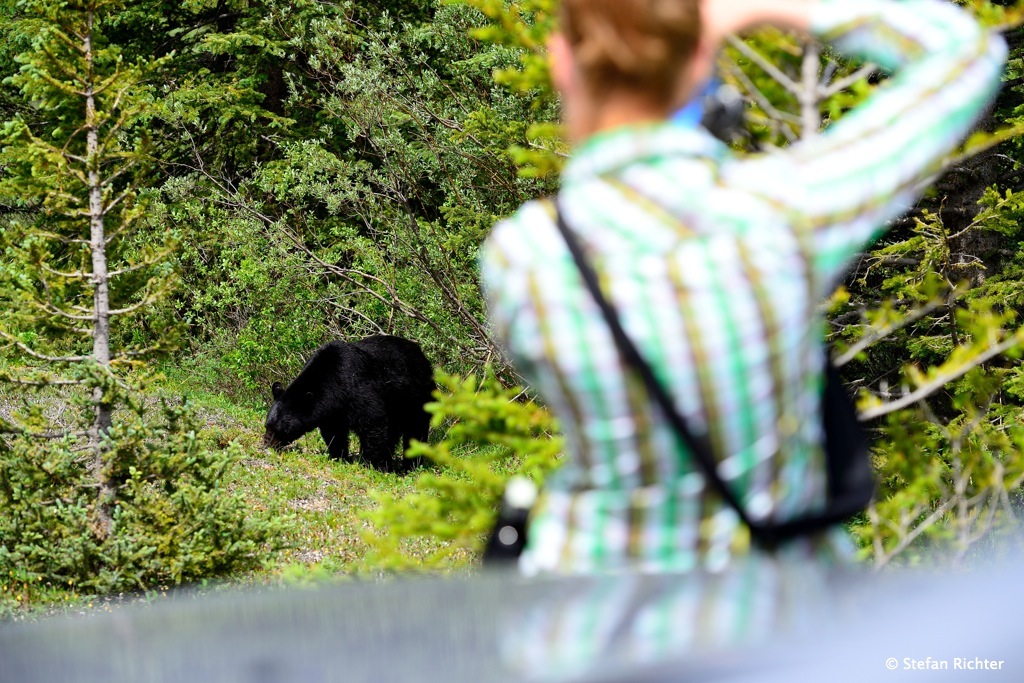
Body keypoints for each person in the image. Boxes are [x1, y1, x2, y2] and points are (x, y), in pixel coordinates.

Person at [480, 0, 1007, 576]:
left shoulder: (523, 255)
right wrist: (763, 6)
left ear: (562, 63)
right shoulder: (781, 211)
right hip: (775, 608)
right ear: (700, 58)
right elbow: (966, 52)